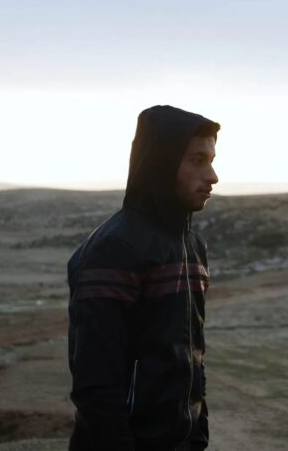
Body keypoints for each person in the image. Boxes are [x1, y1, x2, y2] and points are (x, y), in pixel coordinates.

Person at [67, 105, 220, 451]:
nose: (212, 176)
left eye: (211, 160)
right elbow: (96, 383)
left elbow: (192, 357)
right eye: (197, 161)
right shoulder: (115, 248)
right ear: (161, 163)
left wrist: (198, 434)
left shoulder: (193, 246)